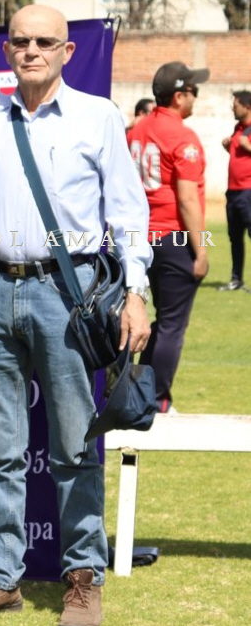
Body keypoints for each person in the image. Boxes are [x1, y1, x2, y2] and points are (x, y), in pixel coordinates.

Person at [0, 5, 152, 626]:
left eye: (44, 41)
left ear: (67, 51)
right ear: (6, 51)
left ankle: (83, 578)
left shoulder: (98, 115)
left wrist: (136, 291)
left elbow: (128, 210)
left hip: (70, 293)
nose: (31, 50)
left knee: (73, 444)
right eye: (21, 41)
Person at [128, 61, 210, 414]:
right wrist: (201, 250)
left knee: (146, 318)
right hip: (172, 237)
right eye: (193, 91)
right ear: (178, 96)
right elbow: (187, 199)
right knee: (172, 324)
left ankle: (133, 392)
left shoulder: (137, 129)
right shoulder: (183, 137)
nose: (196, 97)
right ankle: (157, 399)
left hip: (136, 236)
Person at [219, 90, 251, 292]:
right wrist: (228, 147)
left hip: (249, 192)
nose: (232, 108)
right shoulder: (238, 129)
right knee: (235, 238)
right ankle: (236, 278)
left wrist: (247, 147)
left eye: (236, 105)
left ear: (247, 107)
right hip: (233, 192)